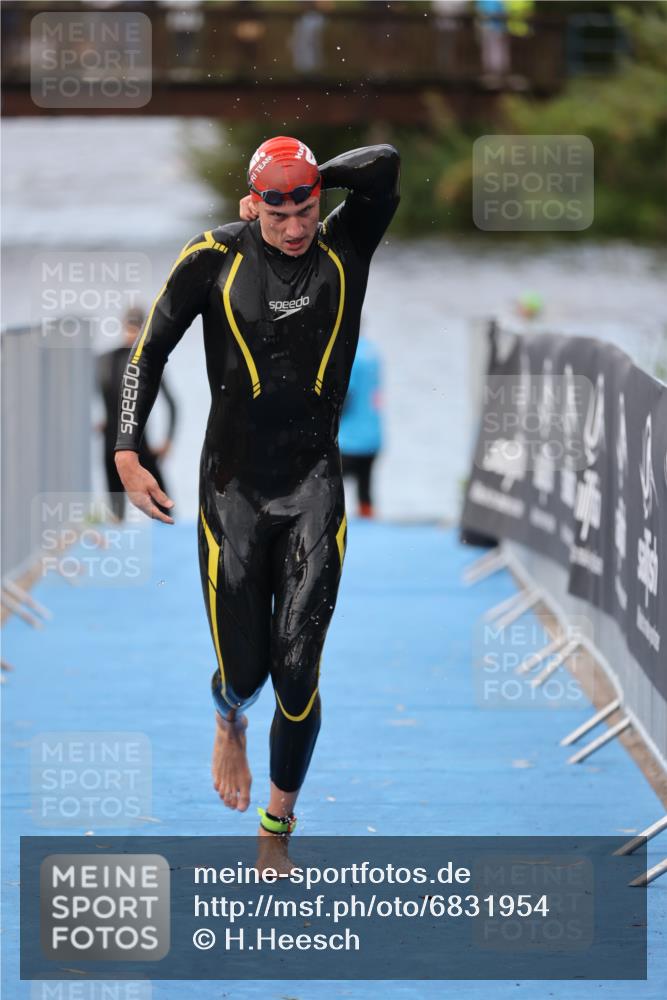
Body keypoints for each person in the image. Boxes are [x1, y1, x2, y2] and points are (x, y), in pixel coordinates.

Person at [114, 137, 400, 863]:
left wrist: (305, 174)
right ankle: (228, 720)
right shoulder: (213, 256)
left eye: (306, 209)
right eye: (279, 214)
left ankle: (277, 825)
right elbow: (147, 352)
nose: (297, 228)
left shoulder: (347, 246)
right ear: (252, 205)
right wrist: (126, 450)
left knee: (298, 674)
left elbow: (386, 161)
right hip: (230, 494)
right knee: (244, 676)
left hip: (313, 488)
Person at [96, 306, 177, 521]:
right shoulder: (146, 360)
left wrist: (102, 421)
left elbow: (92, 395)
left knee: (117, 515)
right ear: (144, 329)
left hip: (110, 447)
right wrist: (168, 440)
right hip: (138, 445)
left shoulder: (104, 360)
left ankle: (121, 552)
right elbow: (172, 405)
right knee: (165, 508)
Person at [339, 332, 383, 518]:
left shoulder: (348, 354)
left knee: (327, 482)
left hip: (351, 439)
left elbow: (346, 396)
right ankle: (369, 519)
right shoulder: (371, 351)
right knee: (365, 487)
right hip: (373, 435)